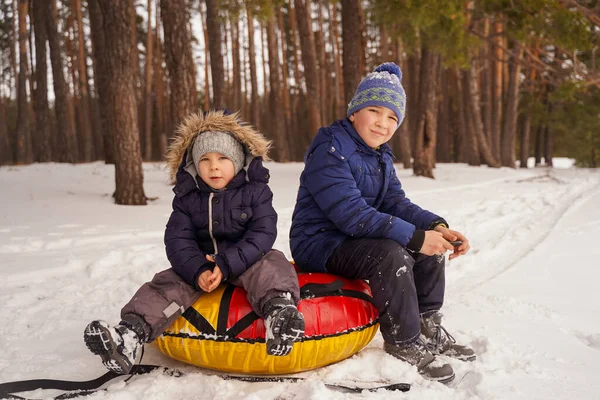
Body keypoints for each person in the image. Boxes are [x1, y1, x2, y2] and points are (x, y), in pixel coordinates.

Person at [289, 62, 474, 384]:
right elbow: (350, 214)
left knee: (427, 245)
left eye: (392, 117)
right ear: (354, 113)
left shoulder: (380, 156)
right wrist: (415, 238)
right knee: (392, 253)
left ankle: (427, 324)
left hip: (356, 239)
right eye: (375, 110)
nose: (383, 123)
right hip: (319, 243)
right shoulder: (330, 148)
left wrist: (437, 227)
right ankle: (405, 342)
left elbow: (395, 203)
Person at [84, 110, 305, 374]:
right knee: (166, 284)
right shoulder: (188, 197)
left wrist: (226, 264)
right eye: (205, 159)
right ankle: (129, 335)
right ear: (194, 165)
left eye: (223, 158)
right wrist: (198, 269)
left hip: (245, 260)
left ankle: (279, 314)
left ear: (237, 161)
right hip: (201, 263)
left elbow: (263, 233)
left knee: (273, 262)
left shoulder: (255, 191)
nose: (214, 166)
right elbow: (177, 239)